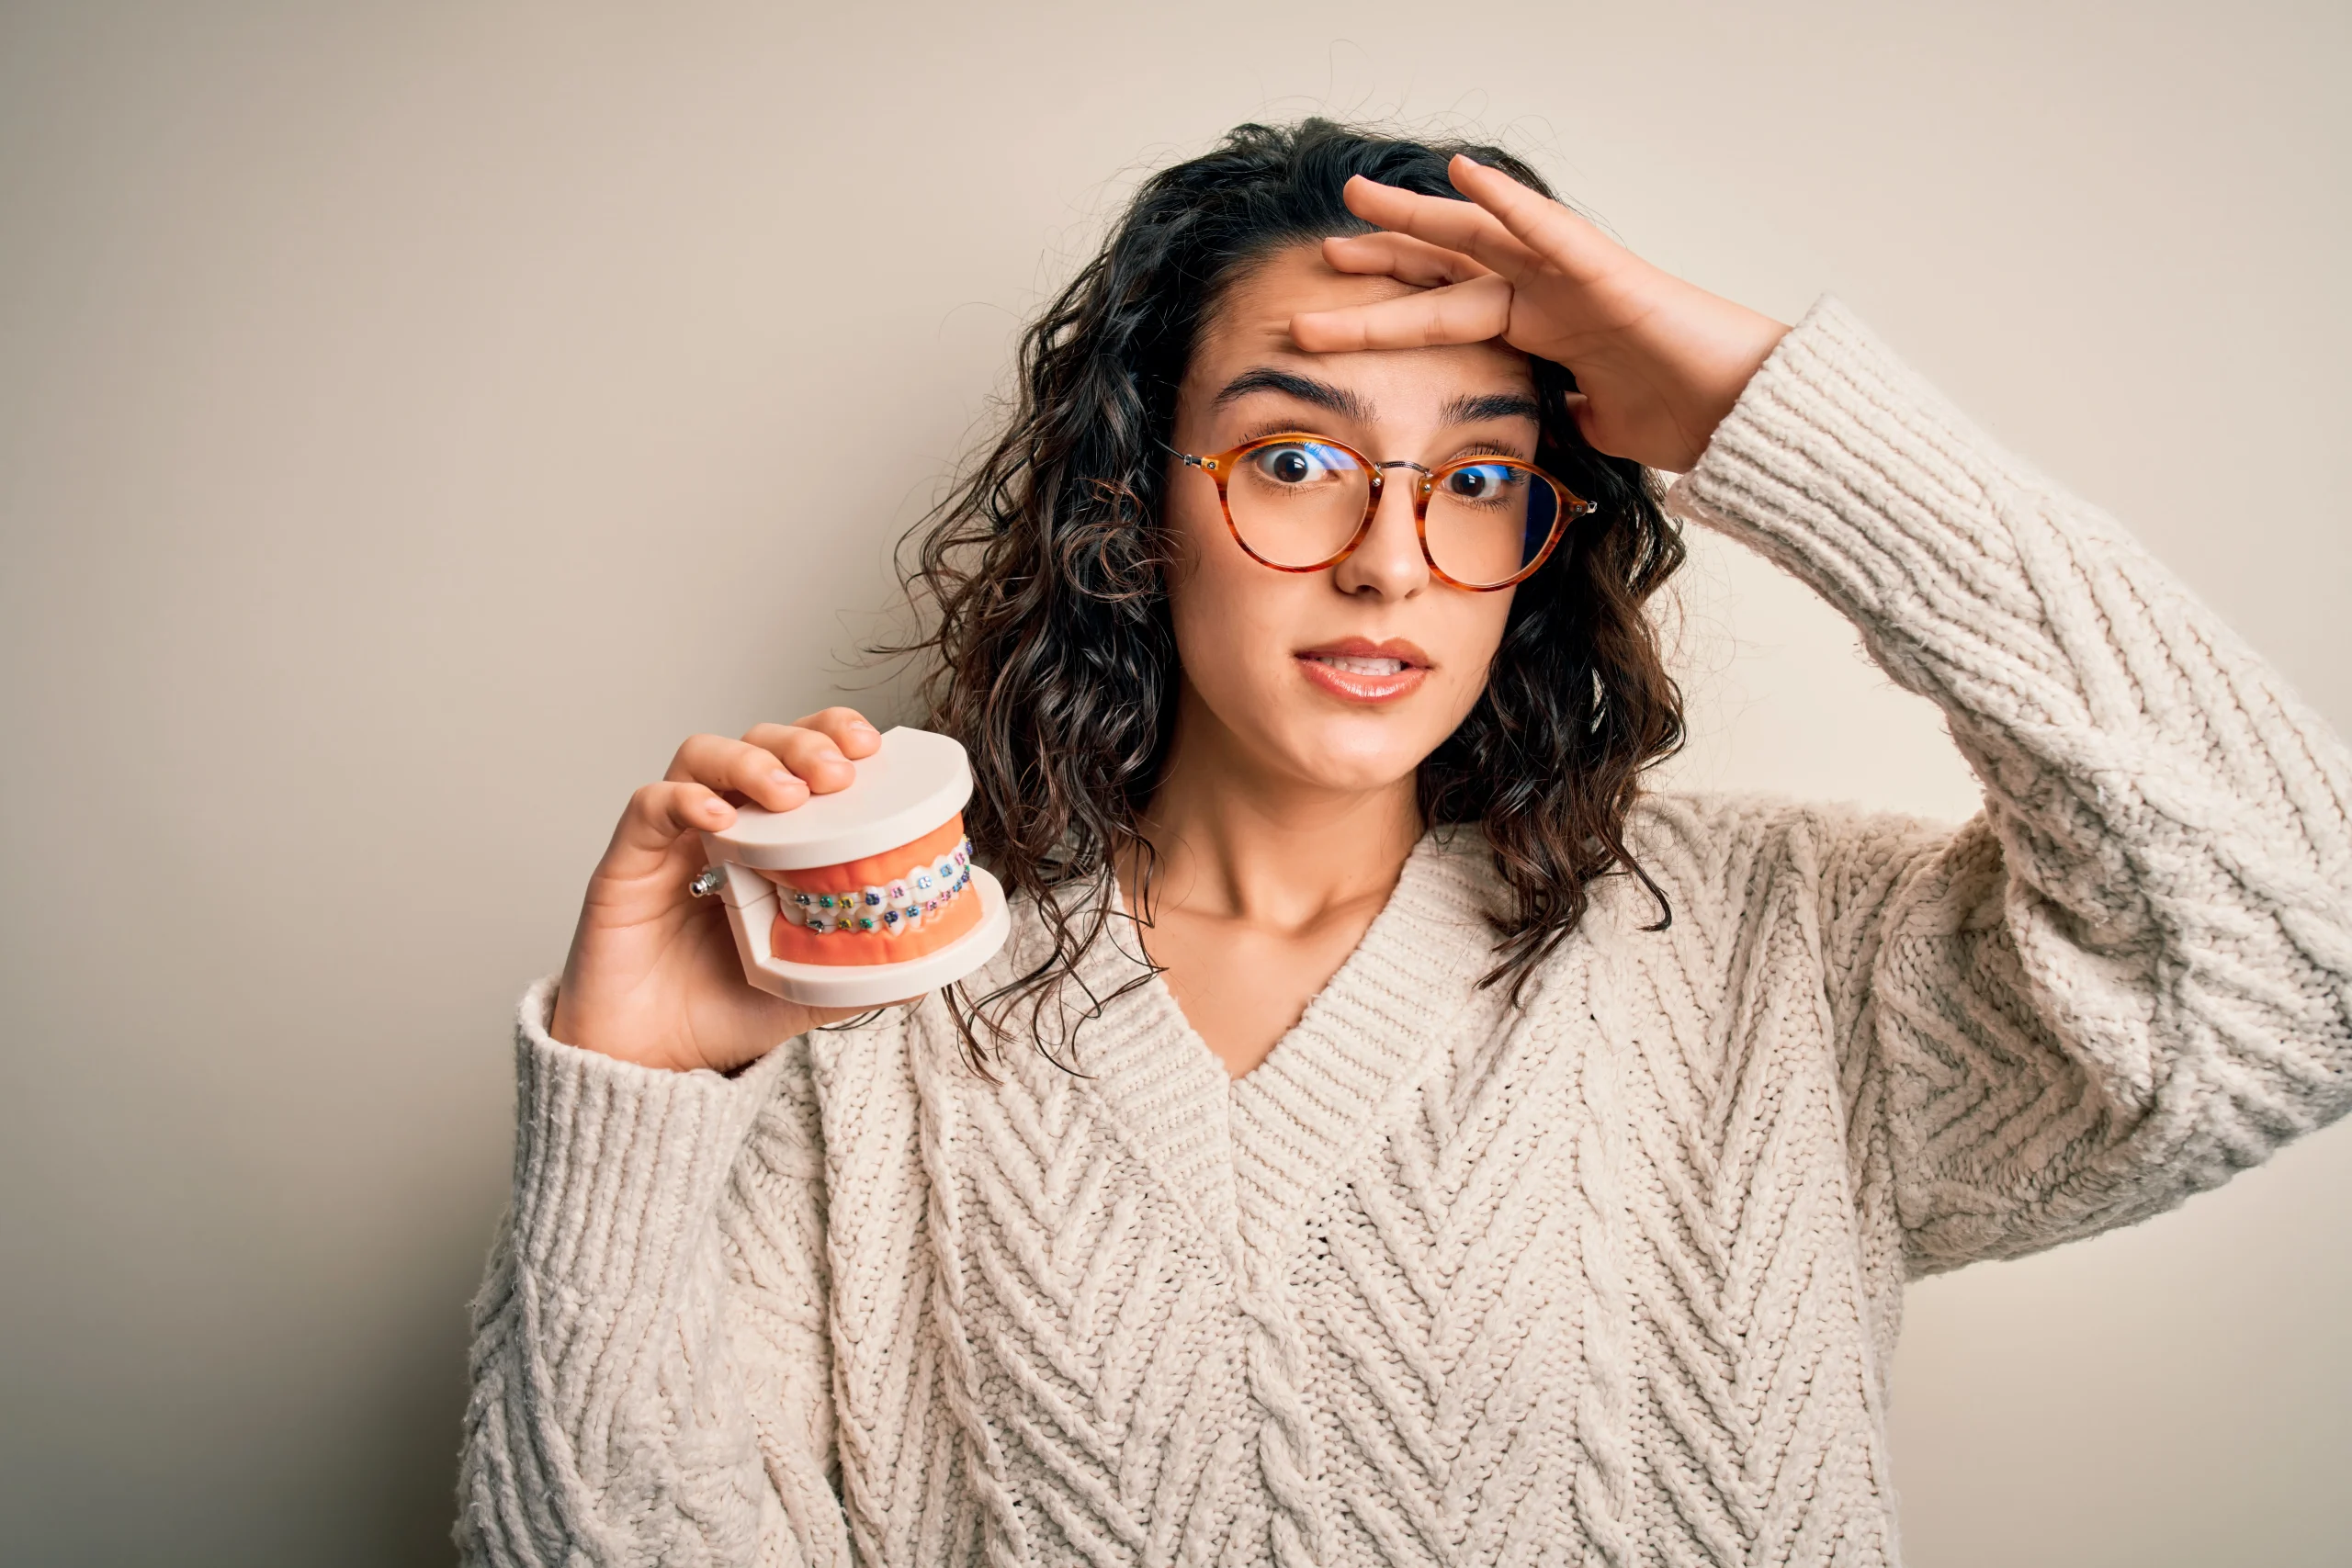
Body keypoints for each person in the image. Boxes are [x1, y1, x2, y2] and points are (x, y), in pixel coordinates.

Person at [454, 120, 2352, 1567]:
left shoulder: (1781, 951)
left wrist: (1762, 411)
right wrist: (633, 1092)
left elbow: (2296, 962)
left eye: (1475, 476)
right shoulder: (875, 1019)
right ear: (1136, 508)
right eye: (1291, 457)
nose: (1383, 554)